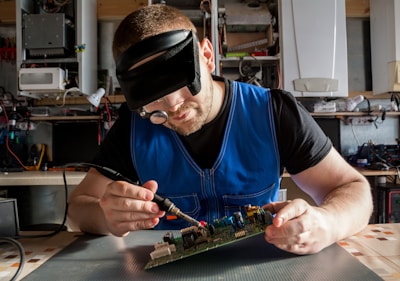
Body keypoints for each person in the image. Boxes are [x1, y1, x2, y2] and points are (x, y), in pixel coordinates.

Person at [68, 4, 373, 255]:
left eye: (183, 86)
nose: (174, 107)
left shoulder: (273, 111)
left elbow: (355, 190)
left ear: (208, 56)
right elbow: (78, 208)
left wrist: (328, 222)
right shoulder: (134, 126)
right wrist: (107, 216)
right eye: (155, 101)